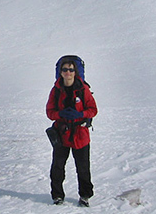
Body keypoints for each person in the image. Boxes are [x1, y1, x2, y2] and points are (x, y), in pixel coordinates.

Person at [46, 57, 98, 207]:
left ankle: (85, 195)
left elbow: (93, 110)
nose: (68, 72)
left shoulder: (83, 89)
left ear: (76, 72)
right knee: (57, 166)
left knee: (83, 167)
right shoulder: (56, 90)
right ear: (60, 72)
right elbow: (50, 112)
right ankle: (57, 196)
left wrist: (81, 115)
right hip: (61, 135)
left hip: (80, 135)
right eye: (65, 69)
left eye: (71, 69)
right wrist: (60, 114)